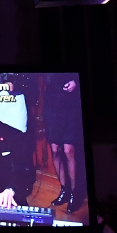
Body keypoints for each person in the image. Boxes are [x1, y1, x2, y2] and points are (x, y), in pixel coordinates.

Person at [38, 77, 84, 210]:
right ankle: (65, 190)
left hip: (70, 102)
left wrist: (76, 81)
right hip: (52, 102)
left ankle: (74, 194)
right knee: (55, 149)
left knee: (68, 149)